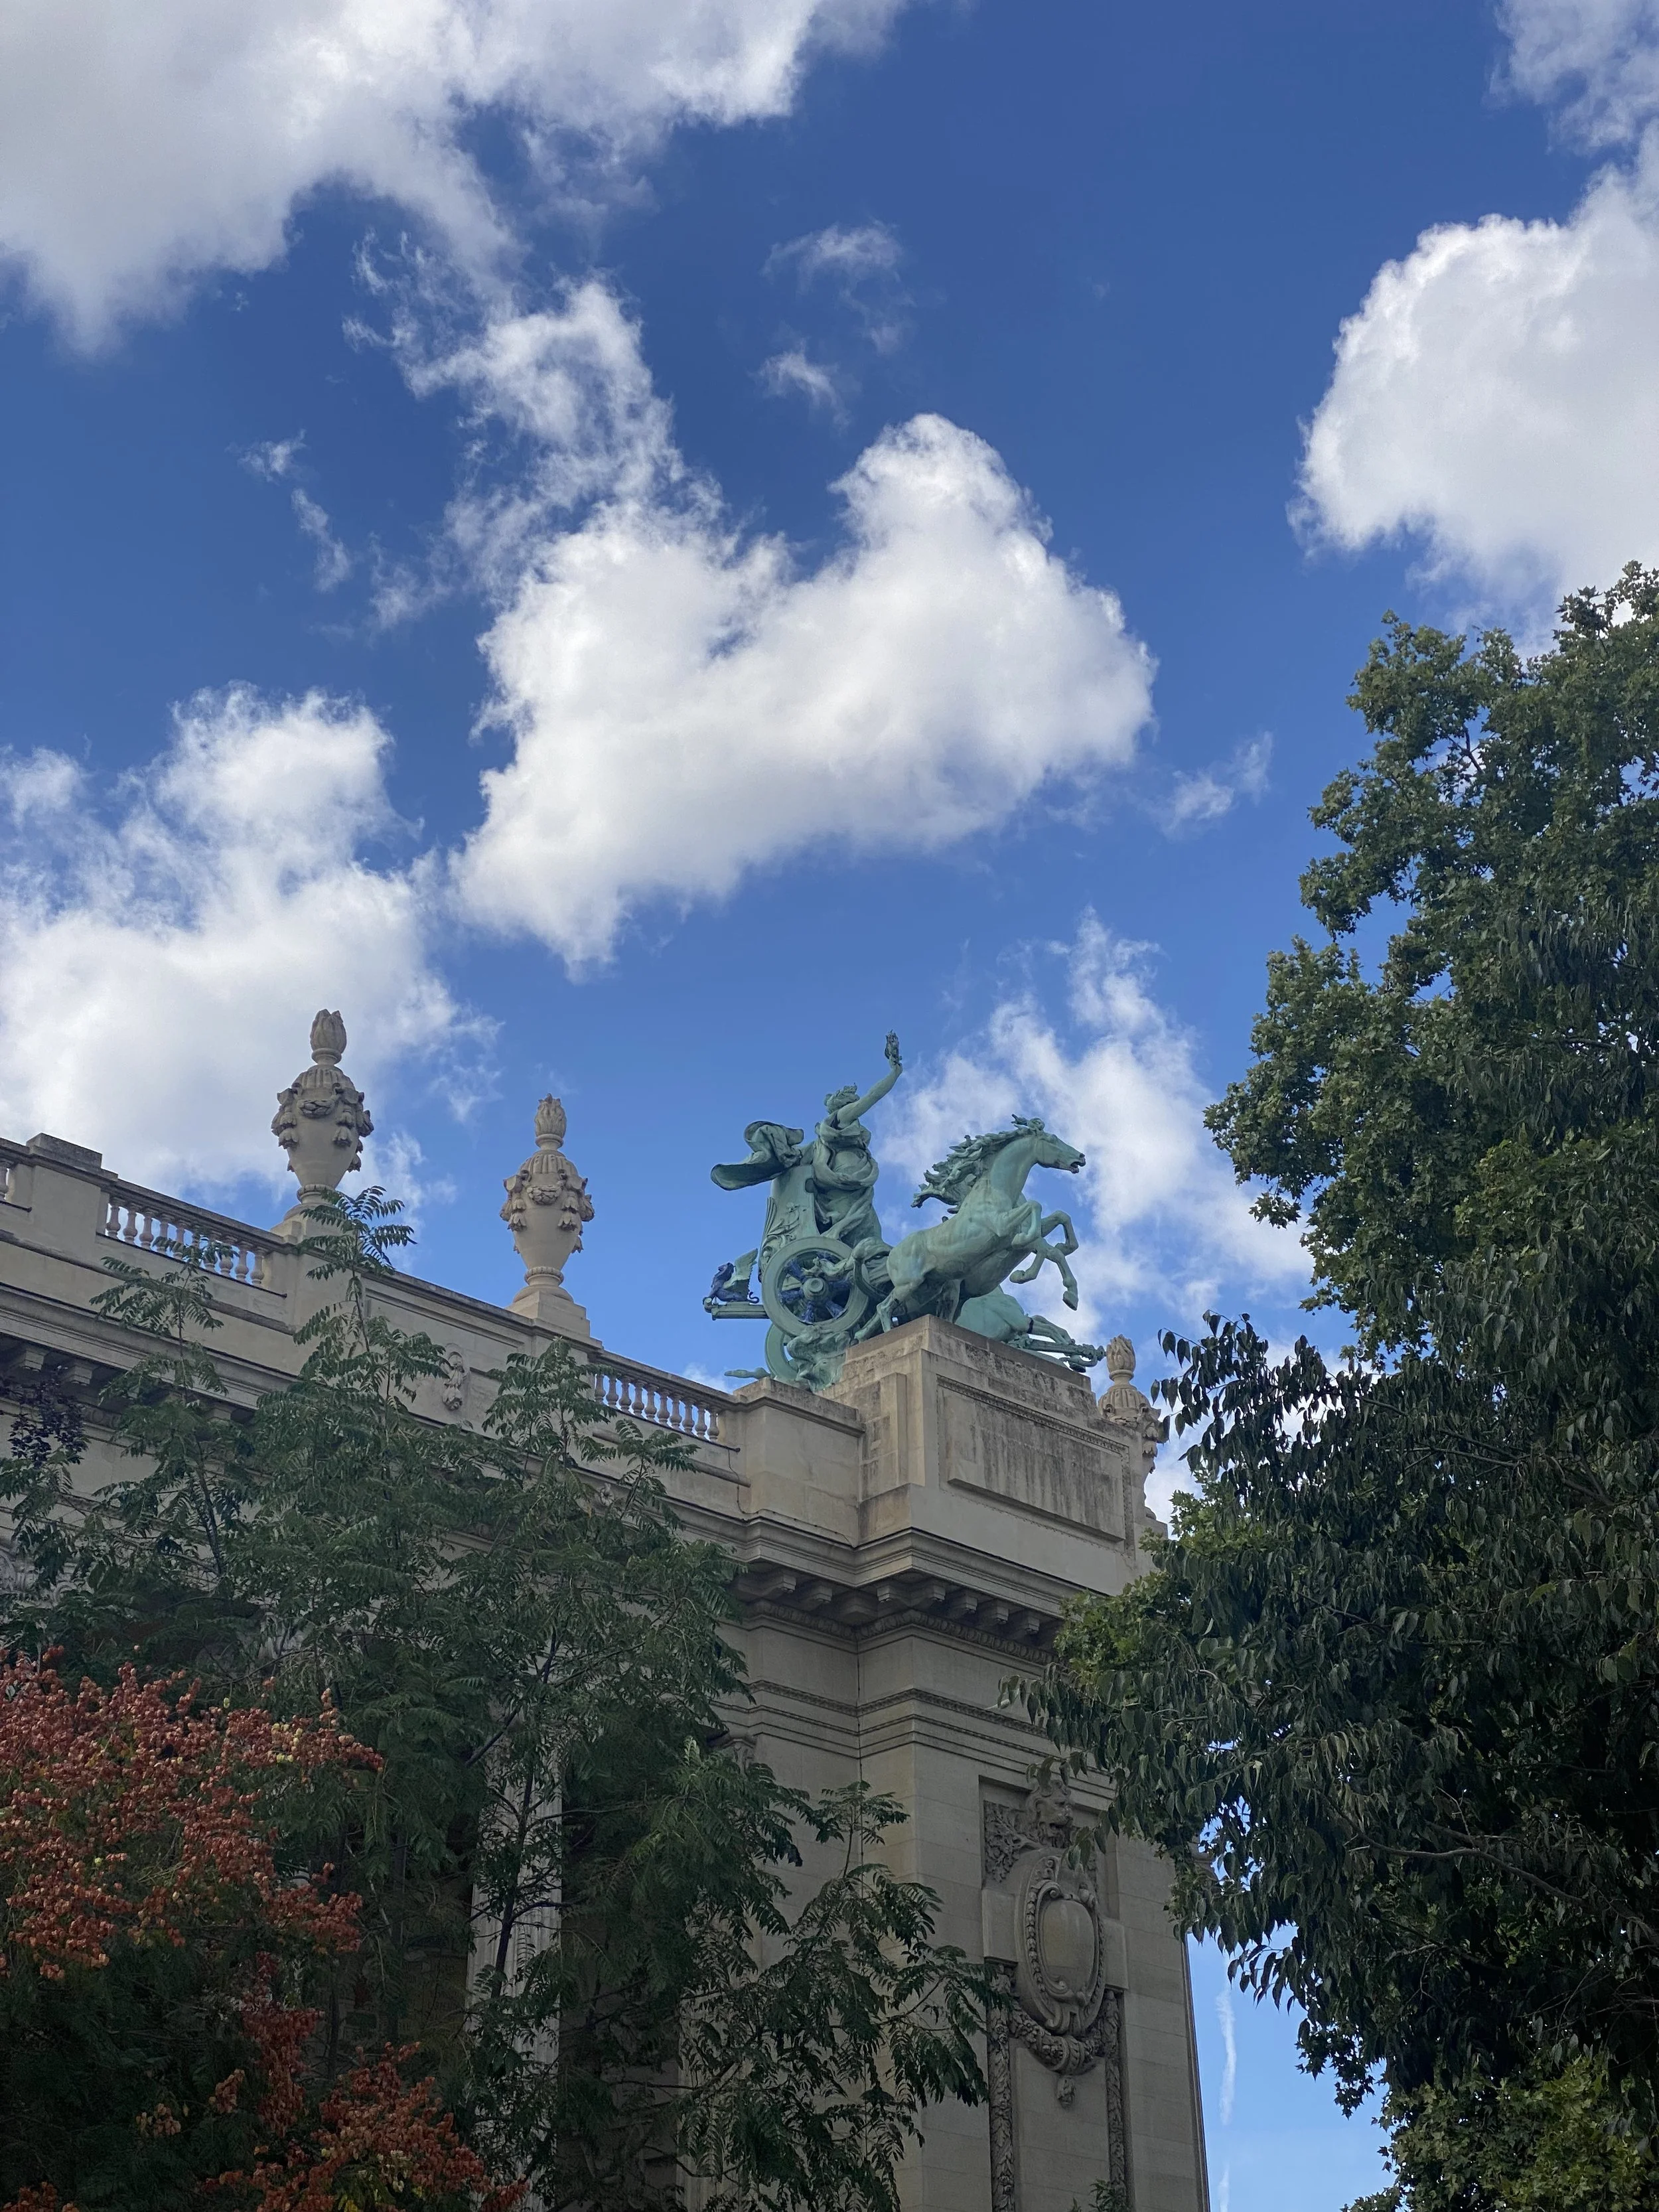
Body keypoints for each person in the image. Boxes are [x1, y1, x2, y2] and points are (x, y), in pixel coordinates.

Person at [806, 1031, 902, 1252]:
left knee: (872, 1235)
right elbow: (872, 1096)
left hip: (855, 1183)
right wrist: (895, 1074)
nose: (856, 1100)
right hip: (847, 1179)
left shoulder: (836, 1130)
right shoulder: (842, 1117)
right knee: (869, 1236)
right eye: (851, 1098)